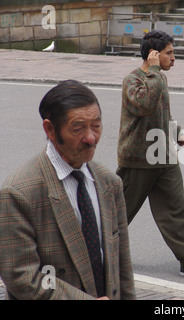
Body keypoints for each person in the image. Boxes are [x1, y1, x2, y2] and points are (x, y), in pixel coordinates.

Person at [0, 80, 135, 300]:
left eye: (96, 125)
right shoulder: (19, 193)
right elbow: (23, 278)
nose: (91, 138)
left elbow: (122, 269)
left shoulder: (109, 183)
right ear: (50, 129)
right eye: (78, 128)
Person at [116, 30, 184, 279]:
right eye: (169, 53)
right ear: (153, 54)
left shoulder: (157, 78)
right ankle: (96, 252)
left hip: (164, 157)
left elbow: (162, 114)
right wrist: (153, 72)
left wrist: (177, 133)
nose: (174, 58)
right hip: (138, 160)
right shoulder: (134, 80)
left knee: (177, 210)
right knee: (118, 214)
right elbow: (145, 105)